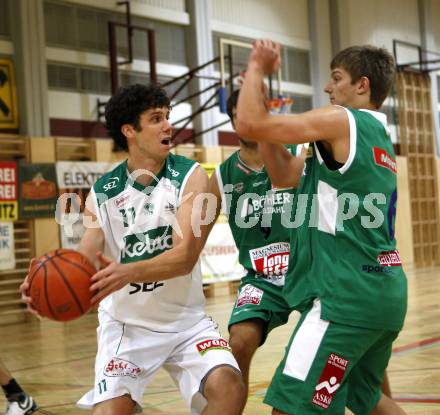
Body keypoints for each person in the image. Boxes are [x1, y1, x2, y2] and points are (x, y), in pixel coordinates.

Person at [21, 83, 245, 415]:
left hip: (186, 323)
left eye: (168, 116)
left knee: (229, 388)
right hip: (127, 327)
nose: (168, 125)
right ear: (130, 130)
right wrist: (43, 288)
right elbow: (84, 256)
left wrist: (128, 271)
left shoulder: (191, 176)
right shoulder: (103, 191)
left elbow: (185, 258)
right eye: (156, 118)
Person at [236, 41, 407, 415]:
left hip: (343, 300)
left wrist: (256, 67)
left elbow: (247, 124)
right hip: (381, 294)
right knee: (371, 401)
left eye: (336, 78)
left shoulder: (343, 120)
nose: (328, 88)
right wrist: (268, 118)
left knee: (292, 407)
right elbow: (283, 175)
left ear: (362, 86)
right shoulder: (376, 137)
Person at [207, 88, 305, 401]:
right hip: (262, 280)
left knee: (349, 338)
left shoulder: (299, 153)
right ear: (233, 121)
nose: (249, 122)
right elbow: (191, 234)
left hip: (310, 270)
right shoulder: (222, 177)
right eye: (241, 116)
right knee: (239, 342)